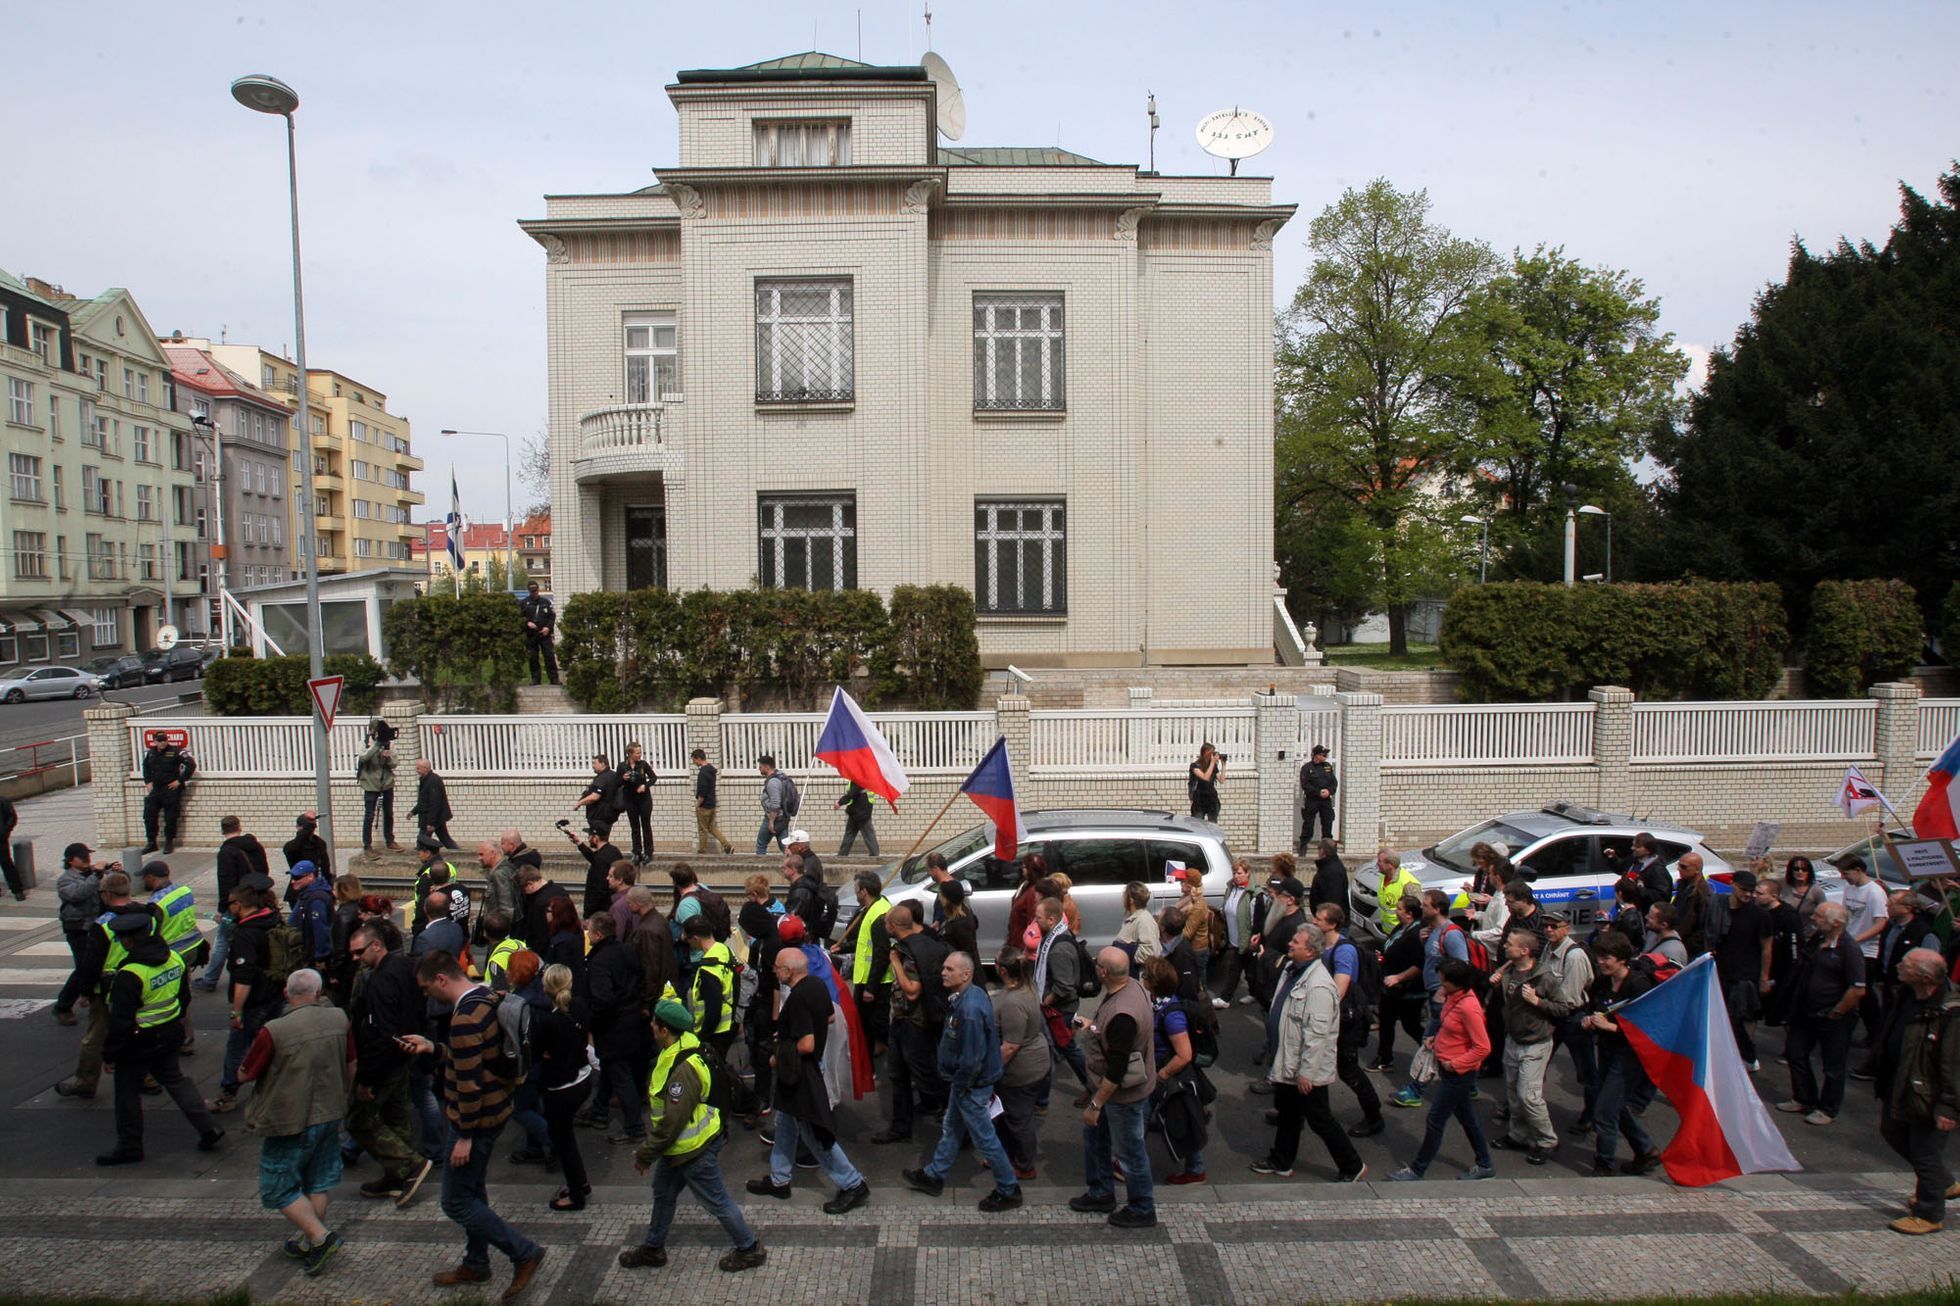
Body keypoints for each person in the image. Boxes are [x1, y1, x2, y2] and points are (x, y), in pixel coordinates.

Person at [403, 950, 547, 1297]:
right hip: (497, 1108)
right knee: (473, 1191)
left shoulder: (464, 1018)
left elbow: (468, 1082)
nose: (426, 996)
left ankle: (522, 1252)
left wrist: (464, 1135)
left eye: (426, 988)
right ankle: (476, 1262)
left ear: (441, 979)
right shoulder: (487, 996)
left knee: (455, 1202)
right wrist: (434, 1049)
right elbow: (474, 1059)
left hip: (474, 1121)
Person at [621, 999, 767, 1273]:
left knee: (717, 1201)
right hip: (682, 1147)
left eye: (655, 1022)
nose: (651, 1025)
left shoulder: (683, 1069)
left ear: (666, 1031)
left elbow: (673, 1121)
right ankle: (653, 1248)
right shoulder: (690, 1044)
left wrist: (646, 1153)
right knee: (663, 1192)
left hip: (693, 1149)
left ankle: (749, 1248)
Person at [239, 969, 349, 1277]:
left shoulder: (275, 1030)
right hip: (331, 1110)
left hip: (290, 1117)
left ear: (288, 995)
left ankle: (319, 1236)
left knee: (277, 1186)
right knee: (319, 1179)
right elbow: (350, 1062)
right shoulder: (340, 1019)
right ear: (318, 993)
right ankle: (308, 1240)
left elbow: (246, 1073)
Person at [96, 907, 224, 1166]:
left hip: (137, 1041)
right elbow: (184, 997)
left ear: (128, 941)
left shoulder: (130, 973)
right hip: (169, 1032)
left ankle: (130, 1146)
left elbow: (120, 1021)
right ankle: (208, 1127)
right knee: (176, 1080)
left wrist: (110, 1054)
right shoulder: (174, 958)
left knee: (127, 1093)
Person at [748, 948, 873, 1214]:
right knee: (785, 1125)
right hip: (805, 1071)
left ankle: (852, 1184)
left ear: (789, 971)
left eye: (777, 966)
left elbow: (806, 1044)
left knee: (814, 1133)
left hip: (800, 1075)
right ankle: (780, 1179)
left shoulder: (799, 998)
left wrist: (779, 1055)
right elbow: (828, 1016)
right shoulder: (816, 985)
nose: (774, 970)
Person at [902, 950, 1024, 1212]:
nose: (943, 973)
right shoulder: (972, 995)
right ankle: (934, 1174)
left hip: (970, 1085)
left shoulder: (968, 1010)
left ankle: (1008, 1188)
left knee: (984, 1138)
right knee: (952, 1127)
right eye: (944, 968)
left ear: (965, 974)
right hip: (968, 1083)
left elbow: (971, 1057)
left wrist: (961, 1083)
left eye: (949, 969)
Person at [1251, 925, 1367, 1182]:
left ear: (1311, 951)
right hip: (1290, 1060)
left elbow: (1318, 1035)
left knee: (1319, 1118)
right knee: (1289, 1113)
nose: (1290, 944)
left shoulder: (1319, 987)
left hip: (1305, 1068)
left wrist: (1307, 1072)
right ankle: (1281, 1160)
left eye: (1296, 941)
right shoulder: (1294, 971)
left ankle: (1352, 1165)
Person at [1068, 948, 1159, 1227]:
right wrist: (1095, 1027)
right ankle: (1101, 1192)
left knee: (1130, 1152)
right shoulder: (1132, 986)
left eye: (1097, 965)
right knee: (1096, 1139)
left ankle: (1142, 1208)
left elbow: (1117, 1069)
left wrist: (1096, 1105)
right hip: (1115, 1092)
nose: (1095, 968)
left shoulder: (1123, 1013)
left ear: (1104, 973)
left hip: (1121, 1096)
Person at [345, 923, 434, 1208]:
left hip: (385, 1058)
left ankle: (409, 1165)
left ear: (376, 945)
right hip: (404, 1052)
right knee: (396, 1115)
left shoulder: (380, 981)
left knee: (358, 1120)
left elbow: (379, 1032)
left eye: (359, 952)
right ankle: (394, 1176)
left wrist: (366, 1080)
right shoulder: (405, 966)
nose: (356, 958)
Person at [1873, 948, 1960, 1235]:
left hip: (1929, 1094)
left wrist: (1948, 1107)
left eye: (1906, 964)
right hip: (1900, 1084)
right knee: (1892, 1131)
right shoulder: (1908, 994)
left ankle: (1929, 1212)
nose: (1898, 965)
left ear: (1923, 977)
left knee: (1925, 1152)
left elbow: (1953, 1064)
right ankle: (1943, 1182)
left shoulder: (1950, 1011)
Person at [1387, 957, 1495, 1181]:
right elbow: (1451, 1027)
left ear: (1457, 983)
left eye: (1444, 982)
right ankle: (1485, 1163)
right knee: (1467, 1118)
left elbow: (1483, 1047)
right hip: (1449, 1068)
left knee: (1435, 1119)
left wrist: (1455, 1064)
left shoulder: (1469, 1007)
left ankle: (1418, 1169)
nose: (1441, 985)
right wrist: (1435, 1040)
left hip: (1458, 1073)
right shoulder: (1453, 997)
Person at [1778, 901, 1869, 1127]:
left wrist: (1837, 1012)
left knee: (1833, 1066)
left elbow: (1858, 988)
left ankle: (1827, 1108)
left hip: (1833, 1017)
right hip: (1806, 1012)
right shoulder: (1818, 940)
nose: (1813, 919)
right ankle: (1803, 1097)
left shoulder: (1849, 949)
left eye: (1818, 917)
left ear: (1836, 923)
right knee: (1795, 1052)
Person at [1489, 929, 1569, 1164]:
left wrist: (1537, 1001)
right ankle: (1519, 1134)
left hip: (1536, 1043)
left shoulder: (1545, 978)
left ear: (1524, 950)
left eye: (1510, 944)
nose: (1505, 946)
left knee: (1529, 1096)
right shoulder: (1509, 971)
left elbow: (1563, 1009)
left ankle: (1547, 1140)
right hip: (1513, 1040)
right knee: (1513, 1092)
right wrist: (1496, 984)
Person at [1387, 888, 1471, 1110]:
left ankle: (1415, 1091)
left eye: (1425, 905)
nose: (1421, 908)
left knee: (1429, 1043)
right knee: (1445, 1043)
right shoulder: (1432, 931)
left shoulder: (1451, 934)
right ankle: (1469, 1085)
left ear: (1437, 909)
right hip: (1435, 997)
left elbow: (1462, 966)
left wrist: (1445, 992)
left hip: (1443, 1000)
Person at [209, 874, 285, 1115]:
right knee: (272, 1043)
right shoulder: (272, 919)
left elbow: (244, 976)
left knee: (237, 1046)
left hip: (254, 1000)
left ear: (238, 905)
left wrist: (237, 1010)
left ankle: (228, 1093)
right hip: (275, 992)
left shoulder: (246, 934)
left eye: (231, 903)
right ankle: (277, 1087)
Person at [874, 902, 949, 1143]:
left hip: (915, 1023)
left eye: (887, 923)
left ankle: (956, 1121)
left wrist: (894, 961)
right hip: (902, 1021)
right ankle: (901, 1125)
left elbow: (913, 991)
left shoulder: (906, 952)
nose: (885, 926)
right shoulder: (925, 944)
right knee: (897, 1073)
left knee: (926, 1076)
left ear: (894, 926)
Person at [1314, 903, 1384, 1136]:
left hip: (1345, 1019)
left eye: (1319, 919)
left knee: (1348, 1069)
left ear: (1332, 924)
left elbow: (1339, 990)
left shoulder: (1344, 951)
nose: (1315, 922)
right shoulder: (1324, 944)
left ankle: (1374, 1116)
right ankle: (1310, 1111)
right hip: (1332, 1016)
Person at [583, 912, 649, 1143]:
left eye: (589, 930)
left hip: (612, 1027)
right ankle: (599, 1110)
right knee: (612, 1071)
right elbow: (641, 977)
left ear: (598, 934)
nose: (587, 933)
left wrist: (590, 1020)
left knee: (620, 1076)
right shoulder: (625, 950)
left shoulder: (600, 961)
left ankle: (634, 1127)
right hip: (630, 1020)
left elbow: (602, 999)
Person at [1143, 955, 1209, 1185]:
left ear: (1153, 983)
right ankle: (1195, 1168)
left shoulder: (1171, 1014)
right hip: (1163, 1071)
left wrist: (1161, 1075)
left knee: (1147, 1118)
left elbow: (1184, 1054)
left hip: (1168, 1074)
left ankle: (1128, 1163)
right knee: (1182, 1119)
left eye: (1145, 976)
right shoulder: (1161, 1004)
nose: (1142, 979)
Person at [536, 963, 594, 1212]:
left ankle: (577, 1194)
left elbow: (540, 1052)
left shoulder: (548, 1020)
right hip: (584, 1077)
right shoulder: (579, 1006)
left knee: (564, 1141)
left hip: (561, 1087)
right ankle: (581, 1182)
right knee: (567, 1138)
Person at [992, 949, 1050, 1180]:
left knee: (1019, 1118)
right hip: (1032, 1064)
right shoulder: (1026, 987)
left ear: (1003, 970)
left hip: (1021, 1071)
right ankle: (1007, 1155)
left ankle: (1025, 1165)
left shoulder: (1014, 1002)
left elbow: (1011, 1046)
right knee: (1009, 1116)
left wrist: (991, 1070)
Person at [198, 817, 270, 992]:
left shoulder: (227, 852)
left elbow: (225, 881)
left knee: (222, 939)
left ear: (223, 831)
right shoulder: (255, 846)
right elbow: (264, 871)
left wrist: (224, 907)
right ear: (239, 827)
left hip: (237, 904)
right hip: (257, 899)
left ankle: (210, 979)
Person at [1032, 898, 1092, 1107]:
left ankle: (1092, 1086)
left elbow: (1064, 986)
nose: (1035, 921)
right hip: (1057, 1009)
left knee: (1061, 1048)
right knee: (1062, 1048)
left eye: (1038, 917)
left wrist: (1045, 1003)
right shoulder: (1055, 936)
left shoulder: (1058, 949)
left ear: (1051, 919)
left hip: (1058, 1011)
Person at [1713, 869, 1774, 1070]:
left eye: (1751, 891)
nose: (1747, 895)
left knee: (1738, 1016)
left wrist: (1764, 977)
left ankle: (1748, 1055)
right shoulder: (1719, 907)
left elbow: (1766, 947)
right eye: (1743, 890)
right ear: (1733, 885)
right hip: (1722, 969)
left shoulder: (1759, 915)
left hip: (1745, 973)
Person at [1837, 855, 1892, 1046]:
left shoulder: (1874, 892)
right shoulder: (1850, 888)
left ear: (1859, 870)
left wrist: (1856, 940)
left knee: (1864, 992)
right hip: (1849, 944)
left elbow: (1880, 923)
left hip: (1867, 950)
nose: (1844, 877)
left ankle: (1875, 1032)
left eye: (1846, 873)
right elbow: (1846, 915)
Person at [1371, 891, 1427, 1072]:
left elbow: (1419, 965)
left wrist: (1398, 977)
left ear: (1410, 913)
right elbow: (1391, 946)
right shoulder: (1402, 928)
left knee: (1410, 1025)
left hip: (1408, 990)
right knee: (1386, 1022)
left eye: (1399, 909)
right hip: (1391, 987)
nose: (1396, 911)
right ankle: (1384, 1058)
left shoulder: (1416, 934)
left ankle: (1435, 1052)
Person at [838, 870, 891, 1057]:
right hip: (865, 978)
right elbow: (864, 943)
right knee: (864, 1023)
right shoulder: (873, 909)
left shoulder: (878, 915)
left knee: (872, 1025)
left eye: (857, 890)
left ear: (864, 891)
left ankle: (873, 1062)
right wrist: (843, 948)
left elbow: (881, 954)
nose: (856, 894)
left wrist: (871, 988)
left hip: (874, 982)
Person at [53, 843, 103, 1024]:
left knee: (94, 964)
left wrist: (111, 872)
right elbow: (78, 894)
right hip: (78, 928)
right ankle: (63, 1006)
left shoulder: (90, 873)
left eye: (88, 856)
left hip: (93, 925)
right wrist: (96, 875)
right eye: (82, 857)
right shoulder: (65, 880)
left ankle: (89, 995)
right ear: (71, 860)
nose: (87, 859)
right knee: (83, 968)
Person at [681, 915, 736, 1059]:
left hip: (714, 1033)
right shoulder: (724, 950)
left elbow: (713, 1010)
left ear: (696, 939)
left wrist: (702, 1038)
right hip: (729, 1024)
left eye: (688, 940)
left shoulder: (708, 970)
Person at [1214, 859, 1266, 1008]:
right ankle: (1255, 993)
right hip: (1234, 937)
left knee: (1235, 968)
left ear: (1248, 873)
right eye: (1234, 873)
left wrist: (1254, 937)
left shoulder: (1255, 894)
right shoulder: (1231, 888)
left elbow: (1257, 919)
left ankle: (1225, 998)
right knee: (1250, 970)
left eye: (1240, 873)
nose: (1236, 876)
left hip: (1246, 939)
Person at [1759, 876, 1805, 1027]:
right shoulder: (1759, 912)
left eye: (1760, 894)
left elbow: (1794, 947)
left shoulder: (1788, 916)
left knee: (1783, 1012)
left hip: (1783, 970)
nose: (1755, 896)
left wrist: (1791, 973)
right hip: (1764, 967)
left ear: (1774, 896)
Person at [140, 732, 196, 855]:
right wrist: (148, 782)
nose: (162, 742)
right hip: (156, 790)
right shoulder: (151, 753)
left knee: (170, 817)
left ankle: (169, 842)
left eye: (164, 740)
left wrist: (180, 781)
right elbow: (145, 767)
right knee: (149, 816)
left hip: (170, 790)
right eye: (160, 740)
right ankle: (151, 843)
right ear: (155, 741)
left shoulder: (176, 751)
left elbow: (191, 764)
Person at [517, 866, 574, 964]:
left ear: (530, 884)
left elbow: (538, 933)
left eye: (523, 890)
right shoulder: (560, 891)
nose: (523, 893)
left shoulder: (539, 902)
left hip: (544, 953)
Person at [569, 825, 626, 921]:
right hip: (611, 905)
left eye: (589, 836)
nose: (588, 839)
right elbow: (594, 858)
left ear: (596, 838)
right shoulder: (613, 851)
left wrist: (588, 915)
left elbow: (599, 890)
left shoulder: (601, 859)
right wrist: (579, 843)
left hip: (600, 913)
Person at [288, 861, 334, 972]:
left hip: (312, 958)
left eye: (297, 877)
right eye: (292, 877)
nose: (293, 881)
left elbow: (320, 930)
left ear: (310, 876)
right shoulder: (307, 894)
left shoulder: (316, 899)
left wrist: (321, 956)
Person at [357, 733, 398, 857]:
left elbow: (394, 764)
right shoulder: (365, 743)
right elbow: (363, 758)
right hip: (370, 784)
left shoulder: (390, 744)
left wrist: (387, 757)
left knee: (389, 813)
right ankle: (367, 845)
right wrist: (376, 746)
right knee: (369, 815)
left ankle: (390, 840)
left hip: (386, 783)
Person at [781, 848, 833, 945]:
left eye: (784, 868)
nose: (782, 869)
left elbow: (793, 917)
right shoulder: (806, 884)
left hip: (802, 940)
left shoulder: (800, 892)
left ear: (793, 870)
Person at [618, 742, 657, 863]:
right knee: (635, 827)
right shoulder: (622, 766)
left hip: (644, 799)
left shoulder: (643, 764)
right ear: (629, 753)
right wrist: (622, 779)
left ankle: (648, 852)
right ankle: (636, 851)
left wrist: (645, 786)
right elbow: (616, 783)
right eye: (637, 753)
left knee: (646, 825)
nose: (639, 755)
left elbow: (653, 777)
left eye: (640, 752)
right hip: (630, 800)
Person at [690, 749, 734, 855]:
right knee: (711, 827)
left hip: (704, 806)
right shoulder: (711, 770)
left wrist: (698, 804)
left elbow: (702, 792)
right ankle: (727, 846)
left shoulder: (702, 773)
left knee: (702, 829)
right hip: (712, 804)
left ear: (698, 759)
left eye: (694, 760)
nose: (694, 763)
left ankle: (702, 851)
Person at [1371, 849, 1424, 937]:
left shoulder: (1408, 884)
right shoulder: (1384, 877)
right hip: (1389, 932)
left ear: (1390, 865)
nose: (1377, 864)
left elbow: (1418, 912)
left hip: (1402, 934)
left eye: (1380, 861)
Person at [1671, 852, 1714, 957]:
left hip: (1689, 949)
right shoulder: (1683, 885)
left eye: (1683, 867)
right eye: (1679, 865)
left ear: (1697, 869)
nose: (1679, 869)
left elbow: (1704, 927)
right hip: (1678, 941)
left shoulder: (1703, 893)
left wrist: (1689, 945)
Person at [409, 760, 458, 850]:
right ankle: (455, 850)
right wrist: (413, 812)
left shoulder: (432, 781)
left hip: (431, 818)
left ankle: (419, 852)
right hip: (430, 817)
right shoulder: (425, 780)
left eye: (418, 768)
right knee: (444, 837)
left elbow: (435, 804)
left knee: (424, 838)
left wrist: (431, 823)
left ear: (425, 768)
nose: (416, 770)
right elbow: (423, 801)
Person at [518, 581, 559, 685]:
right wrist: (527, 623)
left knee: (549, 656)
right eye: (532, 592)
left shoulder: (546, 602)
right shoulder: (523, 603)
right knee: (533, 657)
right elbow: (519, 618)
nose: (534, 593)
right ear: (529, 591)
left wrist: (548, 628)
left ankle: (554, 678)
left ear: (538, 590)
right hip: (531, 634)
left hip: (544, 633)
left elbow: (552, 617)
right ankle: (536, 679)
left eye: (535, 591)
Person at [1298, 744, 1338, 847]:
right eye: (1322, 754)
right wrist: (1318, 792)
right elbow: (1305, 785)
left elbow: (1334, 782)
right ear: (1316, 755)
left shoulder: (1327, 766)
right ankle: (1303, 845)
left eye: (1325, 755)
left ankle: (1327, 846)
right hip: (1312, 800)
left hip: (1325, 800)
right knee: (1308, 823)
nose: (1325, 756)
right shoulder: (1307, 768)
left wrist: (1329, 791)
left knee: (1328, 821)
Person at [1781, 856, 1829, 937]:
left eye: (1804, 869)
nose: (1800, 872)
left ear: (1809, 872)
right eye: (1796, 869)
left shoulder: (1816, 891)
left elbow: (1825, 914)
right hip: (1786, 935)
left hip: (1807, 936)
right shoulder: (1782, 884)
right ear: (1790, 871)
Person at [1115, 881, 1162, 962]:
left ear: (1131, 900)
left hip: (1136, 973)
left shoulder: (1144, 921)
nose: (1123, 898)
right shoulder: (1134, 918)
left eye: (1124, 895)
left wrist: (1124, 958)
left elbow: (1149, 953)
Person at [756, 755, 794, 855]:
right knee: (785, 846)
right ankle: (794, 865)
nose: (759, 769)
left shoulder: (773, 782)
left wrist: (771, 822)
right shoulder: (781, 776)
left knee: (761, 844)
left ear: (766, 767)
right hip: (783, 817)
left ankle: (760, 866)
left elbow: (775, 803)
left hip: (775, 818)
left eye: (760, 767)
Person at [939, 880, 980, 970]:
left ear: (947, 899)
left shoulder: (960, 924)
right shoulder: (956, 916)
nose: (939, 898)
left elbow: (968, 953)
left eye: (941, 895)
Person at [284, 812, 333, 883]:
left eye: (313, 826)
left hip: (320, 884)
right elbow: (298, 842)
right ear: (298, 827)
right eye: (308, 827)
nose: (311, 830)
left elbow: (325, 868)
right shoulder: (291, 847)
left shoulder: (320, 843)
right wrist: (308, 825)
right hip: (300, 885)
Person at [836, 779, 879, 857]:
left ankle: (875, 856)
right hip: (857, 811)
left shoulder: (859, 779)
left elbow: (852, 793)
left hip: (861, 812)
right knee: (851, 835)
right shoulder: (860, 777)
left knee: (867, 835)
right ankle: (842, 855)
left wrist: (840, 803)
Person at [1187, 742, 1222, 822]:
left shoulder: (1212, 766)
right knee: (1198, 822)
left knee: (1213, 823)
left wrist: (1223, 765)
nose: (1212, 755)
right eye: (1211, 752)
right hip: (1199, 797)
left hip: (1211, 797)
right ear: (1205, 752)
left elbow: (1221, 780)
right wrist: (1213, 763)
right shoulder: (1195, 765)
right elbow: (1205, 777)